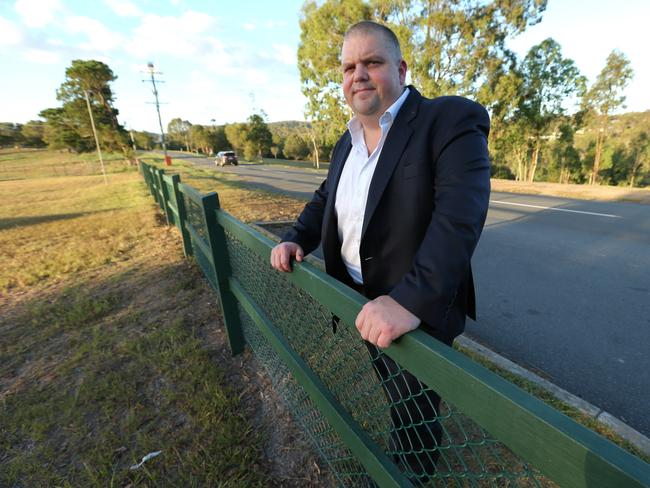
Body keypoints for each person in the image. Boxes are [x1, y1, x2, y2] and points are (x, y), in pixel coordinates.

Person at [270, 21, 490, 481]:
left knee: (416, 406)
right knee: (395, 391)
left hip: (415, 309)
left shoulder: (447, 121)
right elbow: (325, 200)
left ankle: (408, 475)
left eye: (372, 62)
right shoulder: (345, 143)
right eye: (350, 67)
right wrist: (296, 237)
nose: (359, 75)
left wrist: (409, 301)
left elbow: (459, 219)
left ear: (401, 69)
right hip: (361, 298)